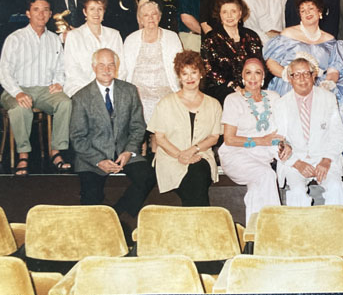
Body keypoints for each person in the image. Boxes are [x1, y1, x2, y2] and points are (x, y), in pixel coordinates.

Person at [70, 48, 156, 216]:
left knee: (147, 177)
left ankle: (119, 210)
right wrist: (99, 160)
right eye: (101, 65)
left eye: (111, 65)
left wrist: (129, 151)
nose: (107, 69)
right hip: (93, 156)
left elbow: (138, 126)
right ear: (93, 67)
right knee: (90, 199)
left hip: (125, 151)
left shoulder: (129, 90)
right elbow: (77, 137)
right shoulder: (81, 97)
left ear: (116, 67)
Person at [0, 0, 72, 175]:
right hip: (15, 88)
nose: (41, 14)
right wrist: (17, 93)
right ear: (28, 13)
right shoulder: (15, 39)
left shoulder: (54, 39)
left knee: (65, 102)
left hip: (44, 90)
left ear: (50, 14)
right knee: (20, 108)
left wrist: (58, 82)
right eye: (36, 10)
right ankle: (23, 154)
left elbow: (60, 67)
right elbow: (4, 71)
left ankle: (56, 152)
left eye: (45, 10)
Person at [147, 50, 222, 206]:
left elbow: (214, 137)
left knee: (198, 170)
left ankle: (192, 224)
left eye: (193, 72)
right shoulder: (166, 103)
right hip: (170, 158)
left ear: (201, 73)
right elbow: (159, 137)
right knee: (195, 182)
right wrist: (180, 155)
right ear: (179, 77)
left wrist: (191, 150)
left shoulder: (213, 104)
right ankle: (201, 223)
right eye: (184, 73)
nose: (189, 78)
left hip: (201, 155)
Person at [273, 57, 343, 207]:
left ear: (313, 76)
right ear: (290, 78)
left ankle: (336, 229)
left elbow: (338, 134)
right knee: (297, 193)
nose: (302, 79)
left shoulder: (328, 98)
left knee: (336, 188)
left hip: (324, 156)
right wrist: (297, 163)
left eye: (306, 74)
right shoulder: (281, 104)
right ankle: (302, 230)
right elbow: (277, 139)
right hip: (296, 159)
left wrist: (326, 160)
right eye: (296, 74)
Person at [265, 0, 343, 102]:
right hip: (289, 84)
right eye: (303, 11)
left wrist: (327, 85)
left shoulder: (330, 41)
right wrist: (288, 76)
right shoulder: (288, 34)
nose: (307, 13)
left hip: (319, 84)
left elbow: (333, 71)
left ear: (319, 11)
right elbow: (271, 62)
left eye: (311, 8)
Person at [219, 58, 282, 223]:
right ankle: (276, 228)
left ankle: (254, 238)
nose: (252, 78)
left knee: (256, 190)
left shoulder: (274, 97)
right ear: (242, 77)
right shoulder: (233, 100)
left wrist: (282, 144)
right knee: (266, 175)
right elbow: (230, 139)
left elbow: (280, 131)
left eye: (257, 73)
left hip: (264, 155)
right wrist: (262, 140)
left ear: (263, 78)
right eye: (248, 72)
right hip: (236, 155)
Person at [123, 0, 183, 124]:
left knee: (165, 112)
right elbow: (124, 70)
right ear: (140, 19)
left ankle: (158, 141)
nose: (150, 18)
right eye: (146, 15)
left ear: (160, 16)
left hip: (166, 89)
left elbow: (179, 67)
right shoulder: (131, 39)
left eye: (154, 14)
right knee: (137, 118)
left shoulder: (172, 37)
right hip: (138, 90)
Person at [201, 0, 262, 105]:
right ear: (220, 15)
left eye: (233, 11)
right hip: (222, 90)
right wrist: (235, 87)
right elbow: (209, 69)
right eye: (224, 12)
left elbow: (258, 64)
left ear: (240, 13)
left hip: (251, 85)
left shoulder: (251, 36)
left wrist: (250, 86)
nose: (229, 16)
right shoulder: (211, 38)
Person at [64, 0, 125, 98]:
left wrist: (111, 85)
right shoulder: (74, 36)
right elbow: (72, 69)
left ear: (104, 12)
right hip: (81, 86)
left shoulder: (114, 35)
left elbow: (121, 65)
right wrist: (96, 88)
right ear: (85, 12)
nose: (96, 13)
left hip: (110, 85)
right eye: (92, 9)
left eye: (100, 9)